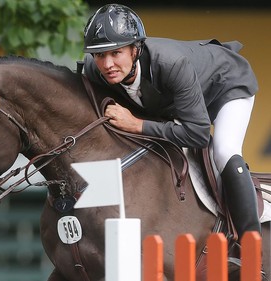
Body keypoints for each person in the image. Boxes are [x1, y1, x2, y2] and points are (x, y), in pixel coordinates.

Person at [83, 4, 261, 242]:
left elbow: (198, 133)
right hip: (178, 102)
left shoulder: (170, 64)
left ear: (136, 50)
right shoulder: (94, 70)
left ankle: (251, 244)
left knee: (224, 150)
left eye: (116, 53)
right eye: (100, 55)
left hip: (225, 87)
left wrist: (138, 125)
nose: (107, 65)